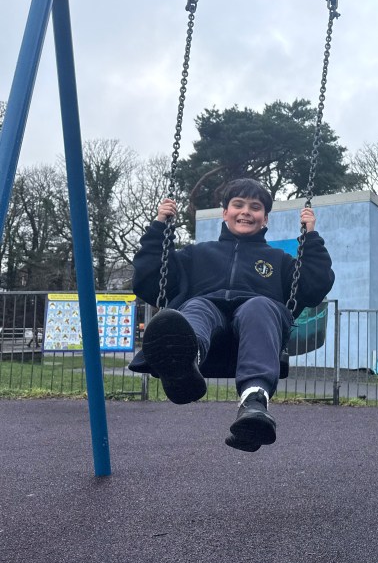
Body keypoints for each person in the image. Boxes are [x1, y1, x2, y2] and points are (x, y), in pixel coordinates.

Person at [131, 178, 335, 453]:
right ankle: (182, 367)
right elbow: (148, 281)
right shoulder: (195, 255)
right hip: (207, 324)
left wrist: (310, 237)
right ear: (224, 212)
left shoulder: (280, 261)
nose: (246, 212)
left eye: (255, 207)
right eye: (238, 205)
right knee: (197, 307)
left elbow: (315, 285)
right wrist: (159, 227)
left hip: (257, 325)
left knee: (259, 305)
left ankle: (254, 404)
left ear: (265, 219)